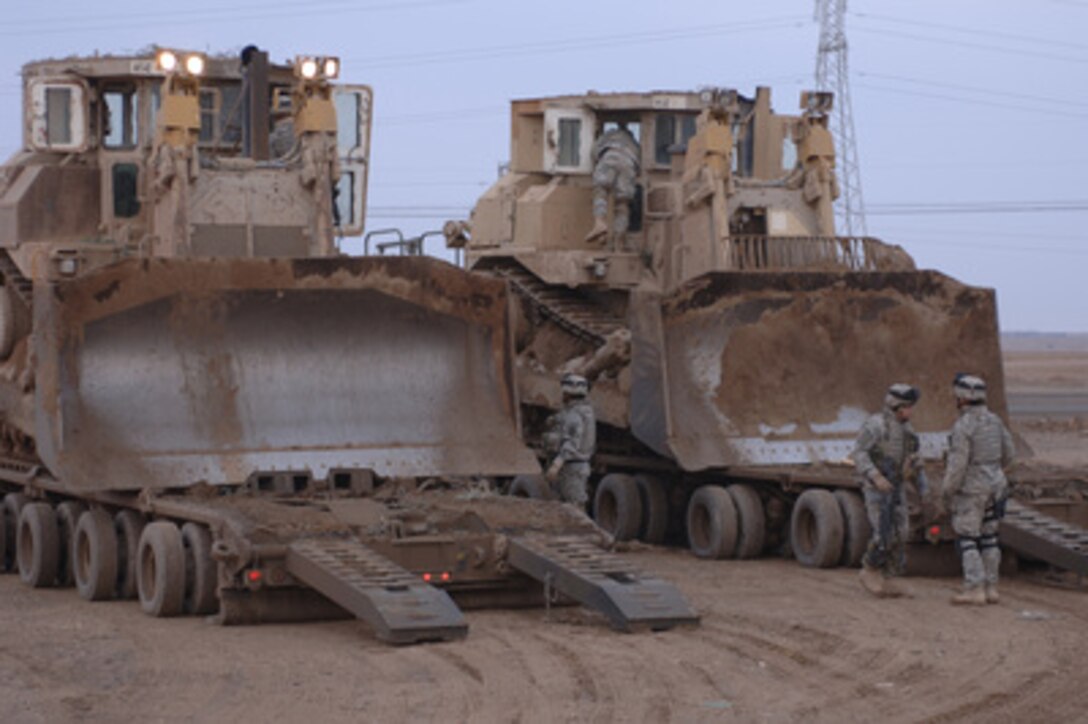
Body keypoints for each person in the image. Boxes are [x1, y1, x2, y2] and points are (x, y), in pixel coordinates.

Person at [941, 374, 1015, 605]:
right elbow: (1009, 454)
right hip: (996, 486)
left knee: (967, 538)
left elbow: (957, 466)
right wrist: (992, 471)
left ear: (962, 399)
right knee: (990, 537)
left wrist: (947, 492)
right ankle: (991, 588)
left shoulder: (963, 426)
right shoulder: (995, 421)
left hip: (973, 489)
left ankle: (974, 588)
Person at [852, 383, 925, 598]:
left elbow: (914, 455)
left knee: (901, 532)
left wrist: (920, 480)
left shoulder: (907, 430)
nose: (911, 411)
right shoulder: (875, 426)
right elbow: (860, 454)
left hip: (897, 487)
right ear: (898, 406)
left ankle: (889, 576)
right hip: (877, 489)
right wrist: (875, 476)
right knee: (882, 533)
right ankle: (870, 569)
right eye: (909, 406)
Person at [544, 373, 596, 508]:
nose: (562, 395)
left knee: (573, 510)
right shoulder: (585, 411)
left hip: (572, 467)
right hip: (579, 465)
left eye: (564, 392)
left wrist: (556, 465)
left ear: (569, 393)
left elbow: (572, 442)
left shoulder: (574, 414)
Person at [585, 125, 640, 248]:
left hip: (610, 157)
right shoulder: (635, 144)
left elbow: (594, 154)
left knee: (600, 189)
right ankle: (618, 241)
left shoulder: (608, 136)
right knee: (622, 204)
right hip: (629, 164)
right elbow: (638, 167)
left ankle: (600, 223)